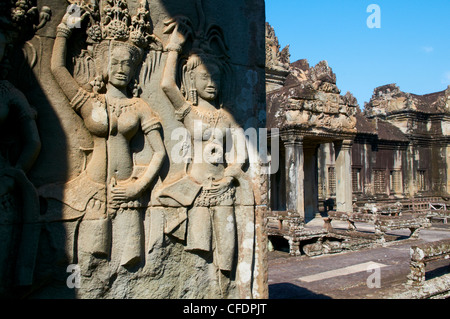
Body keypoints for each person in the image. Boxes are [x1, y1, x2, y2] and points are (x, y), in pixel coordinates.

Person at [48, 7, 165, 268]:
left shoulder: (139, 107)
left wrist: (138, 186)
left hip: (128, 192)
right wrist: (64, 30)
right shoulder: (90, 102)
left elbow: (159, 152)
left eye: (128, 63)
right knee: (89, 258)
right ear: (104, 66)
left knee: (129, 260)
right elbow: (57, 69)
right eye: (116, 62)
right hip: (92, 189)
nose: (122, 69)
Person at [160, 18, 249, 273]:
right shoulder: (190, 112)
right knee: (198, 258)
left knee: (226, 259)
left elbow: (240, 154)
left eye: (216, 78)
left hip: (223, 190)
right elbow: (167, 85)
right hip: (196, 191)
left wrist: (230, 174)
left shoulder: (227, 117)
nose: (211, 83)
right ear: (192, 81)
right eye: (205, 77)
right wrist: (175, 47)